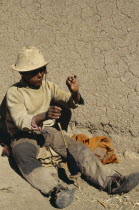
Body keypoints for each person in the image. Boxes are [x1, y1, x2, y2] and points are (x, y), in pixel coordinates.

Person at [6, 46, 139, 209]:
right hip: (22, 135)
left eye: (42, 69)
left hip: (47, 131)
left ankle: (112, 181)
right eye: (34, 71)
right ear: (22, 73)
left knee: (78, 149)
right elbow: (21, 120)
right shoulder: (14, 92)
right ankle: (55, 190)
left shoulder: (49, 86)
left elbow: (69, 101)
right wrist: (45, 116)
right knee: (23, 157)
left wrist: (75, 92)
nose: (40, 74)